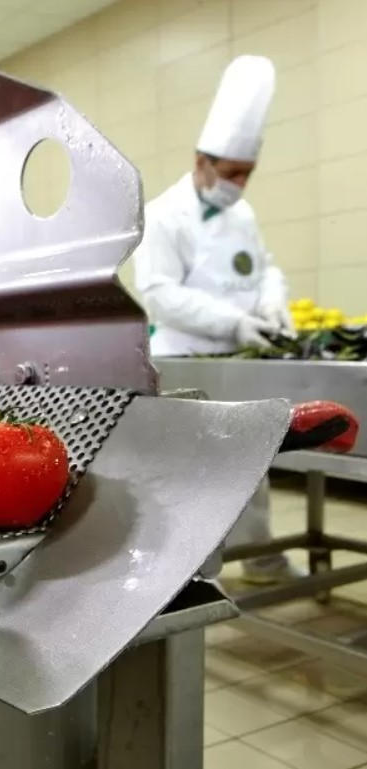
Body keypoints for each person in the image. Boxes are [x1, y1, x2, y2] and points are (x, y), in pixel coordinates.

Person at [134, 55, 300, 583]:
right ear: (201, 162)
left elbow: (264, 268)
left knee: (253, 461)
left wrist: (272, 303)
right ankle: (191, 574)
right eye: (231, 174)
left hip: (238, 357)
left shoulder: (240, 213)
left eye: (247, 174)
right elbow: (159, 294)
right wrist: (233, 321)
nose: (239, 185)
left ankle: (261, 558)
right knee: (196, 471)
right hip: (187, 359)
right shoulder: (163, 215)